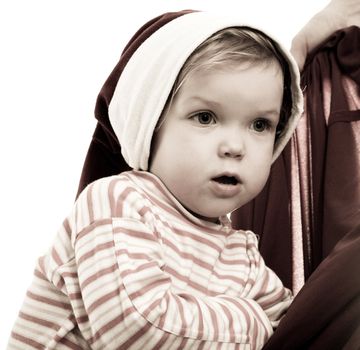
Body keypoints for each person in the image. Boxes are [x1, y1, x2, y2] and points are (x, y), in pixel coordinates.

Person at [7, 10, 304, 350]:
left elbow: (294, 330)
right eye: (205, 117)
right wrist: (251, 322)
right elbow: (136, 328)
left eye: (260, 125)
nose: (235, 147)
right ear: (149, 123)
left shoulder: (241, 254)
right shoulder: (118, 202)